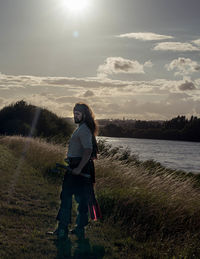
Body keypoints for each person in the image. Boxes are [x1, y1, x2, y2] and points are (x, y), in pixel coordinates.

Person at [52, 102, 98, 239]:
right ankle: (78, 229)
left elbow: (88, 150)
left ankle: (63, 230)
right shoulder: (82, 128)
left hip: (80, 169)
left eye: (77, 113)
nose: (75, 116)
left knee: (67, 197)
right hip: (76, 166)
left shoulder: (83, 129)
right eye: (74, 113)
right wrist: (71, 159)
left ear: (84, 114)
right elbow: (81, 150)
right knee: (80, 199)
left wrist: (78, 167)